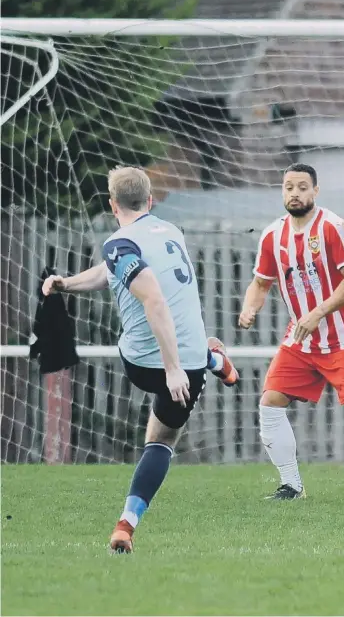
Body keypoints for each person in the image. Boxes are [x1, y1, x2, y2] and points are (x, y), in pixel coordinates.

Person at [42, 166, 238, 552]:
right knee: (162, 442)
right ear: (150, 201)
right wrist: (67, 283)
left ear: (112, 205)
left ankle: (124, 528)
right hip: (192, 362)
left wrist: (171, 368)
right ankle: (215, 360)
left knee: (158, 438)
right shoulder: (170, 231)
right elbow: (111, 272)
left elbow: (153, 300)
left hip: (149, 365)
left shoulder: (118, 243)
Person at [239, 163, 344, 499]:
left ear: (315, 191)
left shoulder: (333, 227)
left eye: (302, 187)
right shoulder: (273, 235)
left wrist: (318, 312)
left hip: (341, 338)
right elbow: (260, 282)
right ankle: (291, 486)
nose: (295, 193)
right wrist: (249, 306)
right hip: (300, 341)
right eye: (289, 187)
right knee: (270, 404)